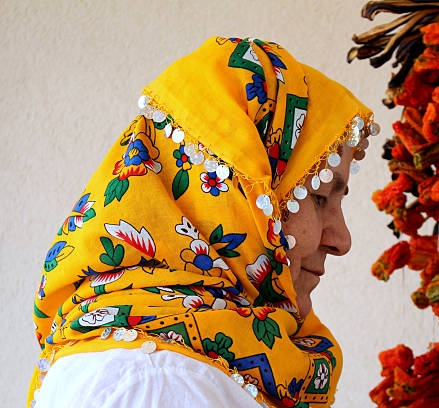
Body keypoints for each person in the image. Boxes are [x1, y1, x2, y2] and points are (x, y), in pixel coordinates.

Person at [28, 36, 379, 408]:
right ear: (235, 201)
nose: (343, 240)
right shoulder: (159, 382)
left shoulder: (205, 363)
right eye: (320, 197)